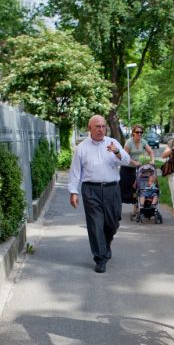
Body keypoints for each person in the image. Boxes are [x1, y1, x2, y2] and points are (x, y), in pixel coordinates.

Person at [68, 115, 130, 273]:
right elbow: (75, 172)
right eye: (98, 127)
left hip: (112, 189)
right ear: (90, 128)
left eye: (103, 126)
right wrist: (73, 192)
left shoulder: (113, 143)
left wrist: (116, 152)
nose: (101, 129)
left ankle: (105, 244)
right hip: (91, 190)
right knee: (95, 225)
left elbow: (126, 161)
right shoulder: (81, 148)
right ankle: (100, 258)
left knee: (112, 223)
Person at [120, 125, 155, 215]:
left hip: (139, 168)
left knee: (140, 186)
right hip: (128, 167)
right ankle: (131, 204)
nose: (139, 134)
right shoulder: (129, 142)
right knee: (130, 188)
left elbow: (150, 151)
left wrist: (152, 160)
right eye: (137, 132)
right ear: (133, 133)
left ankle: (137, 206)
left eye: (141, 132)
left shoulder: (143, 142)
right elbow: (125, 156)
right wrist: (134, 162)